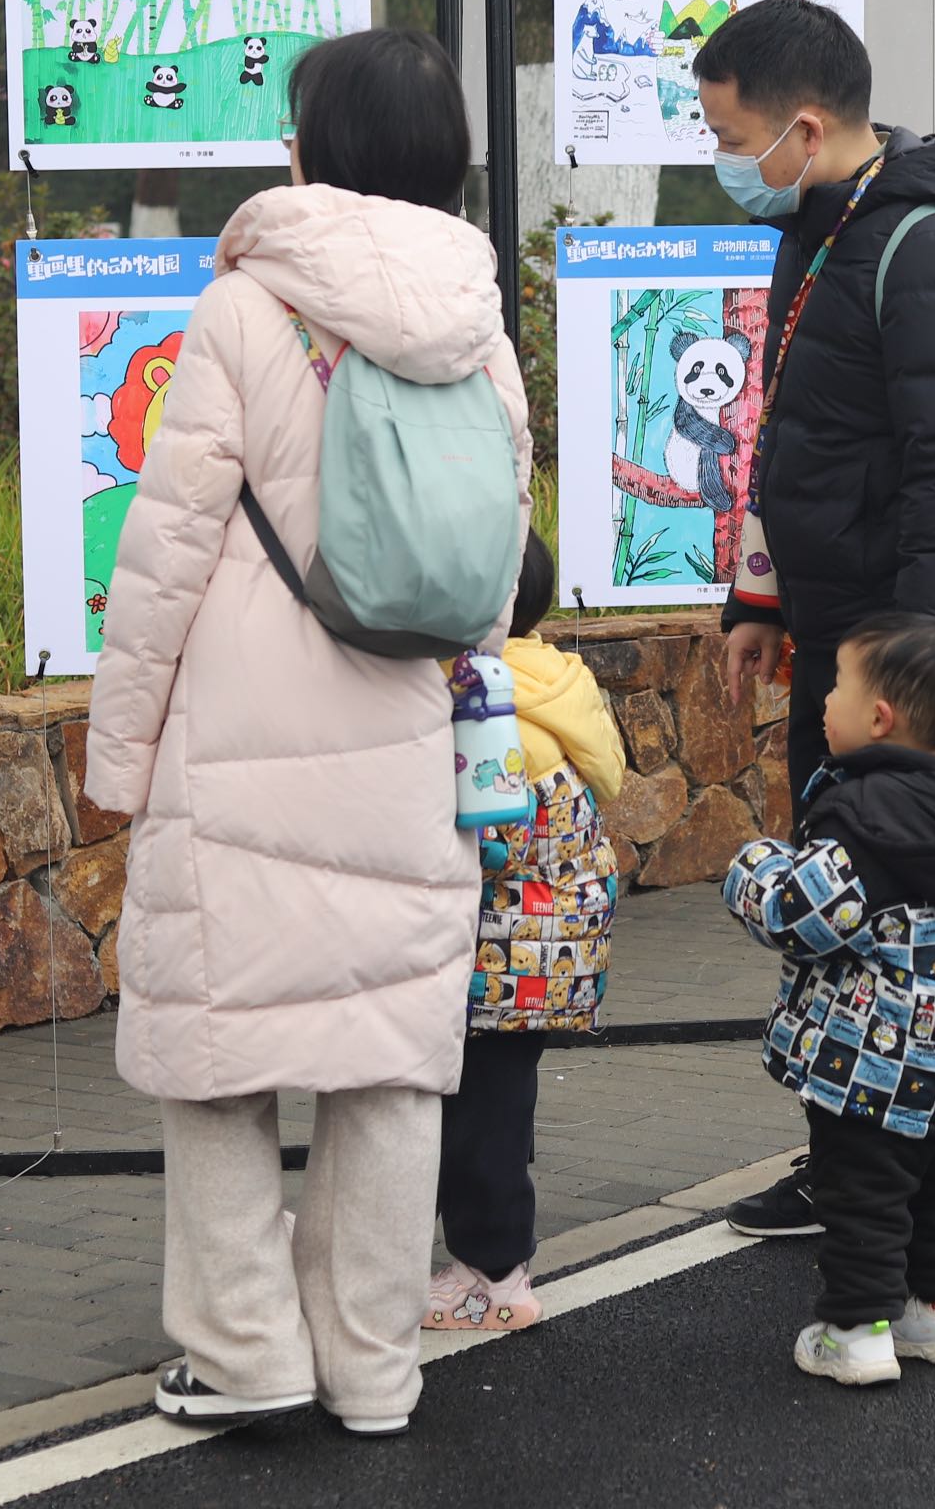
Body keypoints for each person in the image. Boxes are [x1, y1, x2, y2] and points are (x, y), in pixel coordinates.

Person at [88, 28, 529, 1430]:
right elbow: (492, 548)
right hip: (405, 732)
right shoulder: (478, 318)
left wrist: (117, 753)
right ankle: (374, 1372)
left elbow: (166, 556)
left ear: (313, 146)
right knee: (389, 1063)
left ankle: (248, 1360)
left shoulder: (242, 313)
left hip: (238, 736)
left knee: (218, 1060)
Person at [692, 0, 935, 1270]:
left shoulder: (931, 242)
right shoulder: (819, 223)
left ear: (799, 126)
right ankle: (858, 1155)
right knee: (852, 917)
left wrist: (918, 679)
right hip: (842, 646)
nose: (716, 155)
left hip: (913, 663)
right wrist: (761, 601)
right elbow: (798, 436)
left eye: (725, 132)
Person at [717, 611, 935, 1387]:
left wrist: (752, 867)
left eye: (835, 686)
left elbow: (804, 915)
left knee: (860, 1188)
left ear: (880, 718)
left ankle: (855, 1332)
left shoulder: (872, 817)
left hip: (878, 1055)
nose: (822, 700)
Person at [425, 531, 627, 1335]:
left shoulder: (485, 701)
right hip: (551, 945)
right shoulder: (554, 679)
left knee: (481, 1117)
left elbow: (492, 837)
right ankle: (490, 1252)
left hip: (500, 950)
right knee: (500, 1106)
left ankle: (494, 1275)